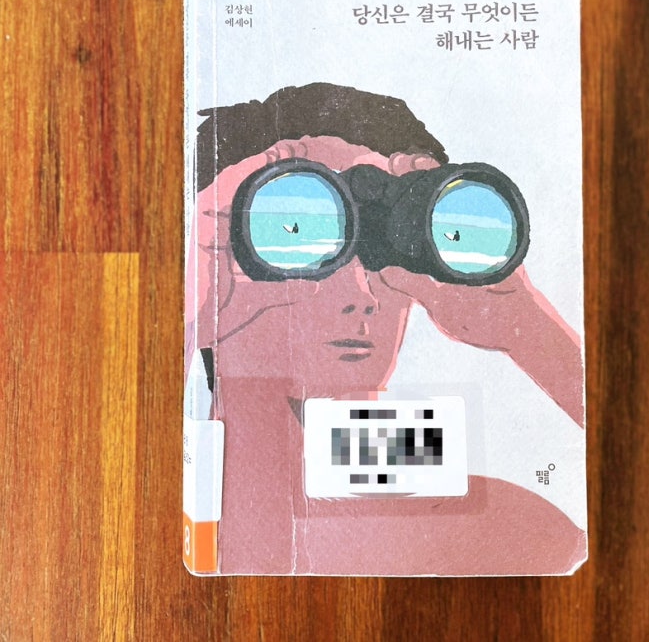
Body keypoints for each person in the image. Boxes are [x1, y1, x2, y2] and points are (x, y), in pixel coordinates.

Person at [185, 83, 586, 575]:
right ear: (219, 247)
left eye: (384, 247)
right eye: (300, 234)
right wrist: (193, 304)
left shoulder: (504, 531)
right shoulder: (173, 497)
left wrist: (528, 329)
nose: (363, 294)